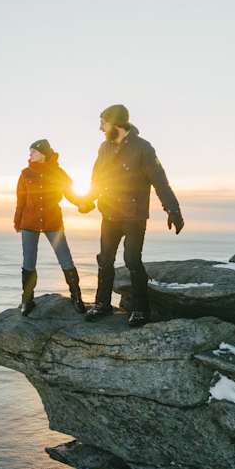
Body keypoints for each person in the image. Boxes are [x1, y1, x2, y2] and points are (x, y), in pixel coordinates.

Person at [77, 104, 184, 327]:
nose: (100, 128)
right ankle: (102, 305)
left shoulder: (143, 148)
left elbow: (159, 180)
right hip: (109, 213)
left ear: (116, 123)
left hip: (133, 216)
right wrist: (89, 200)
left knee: (132, 261)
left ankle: (140, 310)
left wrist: (172, 209)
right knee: (105, 260)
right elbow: (98, 179)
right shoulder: (104, 148)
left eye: (103, 123)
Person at [13, 139, 88, 317]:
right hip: (29, 222)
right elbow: (21, 200)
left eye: (33, 152)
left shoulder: (58, 173)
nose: (30, 155)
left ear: (43, 154)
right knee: (28, 262)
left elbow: (71, 192)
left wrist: (83, 204)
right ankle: (27, 300)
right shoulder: (25, 174)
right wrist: (18, 221)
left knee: (65, 258)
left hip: (52, 221)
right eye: (30, 152)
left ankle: (76, 296)